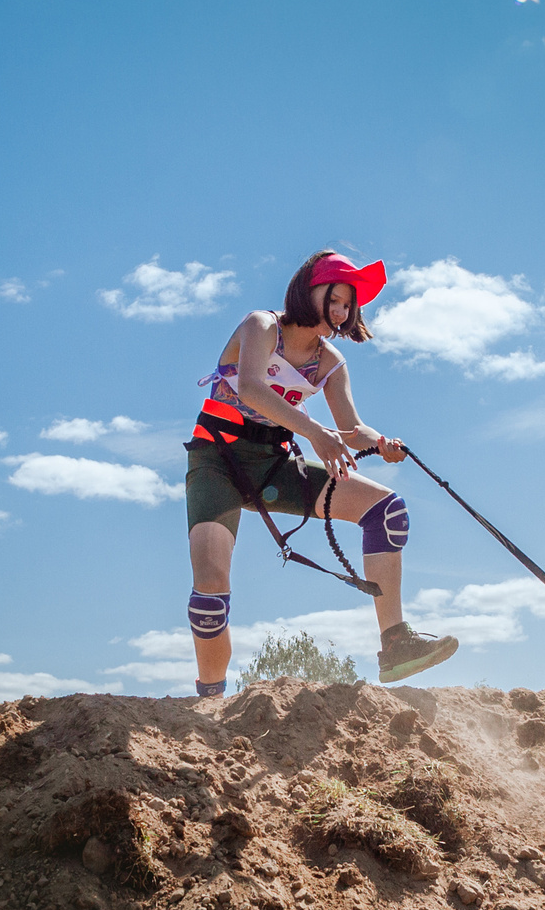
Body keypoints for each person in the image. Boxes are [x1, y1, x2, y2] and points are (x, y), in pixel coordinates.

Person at [184, 251, 459, 698]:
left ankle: (395, 644)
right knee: (210, 593)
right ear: (309, 289)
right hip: (219, 460)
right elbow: (251, 387)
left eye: (349, 304)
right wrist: (314, 432)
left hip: (275, 464)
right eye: (336, 296)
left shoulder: (329, 361)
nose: (342, 311)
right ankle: (211, 703)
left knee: (387, 511)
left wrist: (380, 442)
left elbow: (350, 428)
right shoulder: (262, 326)